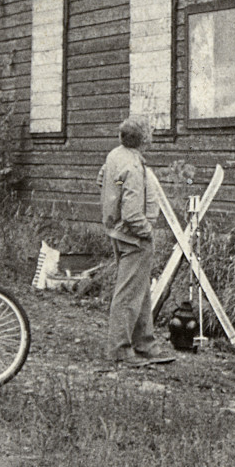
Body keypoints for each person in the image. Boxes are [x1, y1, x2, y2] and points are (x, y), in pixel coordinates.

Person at [98, 116, 174, 368]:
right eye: (150, 132)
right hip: (133, 236)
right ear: (144, 139)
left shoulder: (115, 157)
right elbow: (131, 213)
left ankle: (145, 343)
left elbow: (105, 180)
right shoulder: (131, 166)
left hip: (118, 232)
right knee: (129, 293)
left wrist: (118, 193)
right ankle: (120, 348)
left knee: (138, 292)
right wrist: (147, 231)